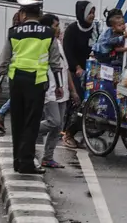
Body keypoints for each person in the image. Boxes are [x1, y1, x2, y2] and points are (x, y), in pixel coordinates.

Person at [0, 0, 64, 175]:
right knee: (31, 124)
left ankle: (18, 161)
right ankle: (26, 163)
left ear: (23, 14)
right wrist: (60, 86)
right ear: (39, 14)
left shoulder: (14, 32)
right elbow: (56, 62)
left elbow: (4, 61)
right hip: (37, 82)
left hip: (16, 81)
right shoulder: (48, 33)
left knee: (17, 121)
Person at [38, 13, 78, 169]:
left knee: (58, 126)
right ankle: (28, 130)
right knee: (53, 122)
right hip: (50, 91)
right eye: (55, 26)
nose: (59, 29)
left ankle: (47, 158)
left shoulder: (58, 44)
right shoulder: (43, 45)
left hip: (62, 91)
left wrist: (72, 91)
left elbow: (66, 68)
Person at [60, 1, 96, 149]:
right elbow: (67, 51)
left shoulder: (95, 29)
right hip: (75, 71)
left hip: (91, 70)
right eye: (90, 13)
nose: (92, 16)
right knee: (78, 102)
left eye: (93, 12)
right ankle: (68, 133)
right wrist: (78, 67)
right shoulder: (72, 30)